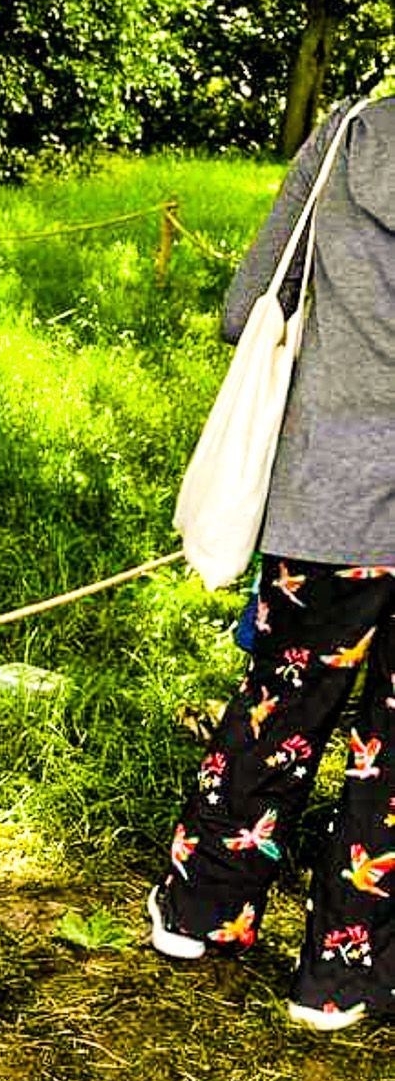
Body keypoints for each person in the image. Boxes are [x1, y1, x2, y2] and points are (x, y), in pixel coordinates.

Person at [149, 96, 395, 1029]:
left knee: (279, 707)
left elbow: (248, 305)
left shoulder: (347, 134)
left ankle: (202, 912)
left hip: (327, 498)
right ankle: (341, 975)